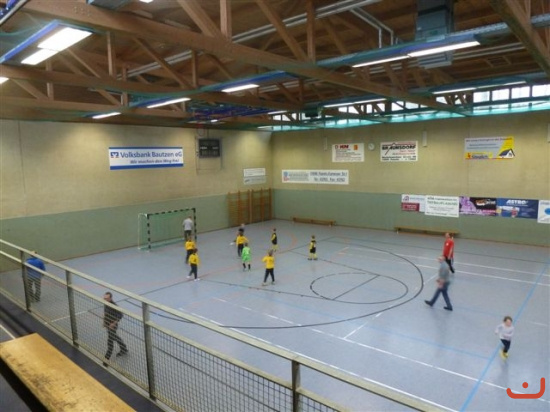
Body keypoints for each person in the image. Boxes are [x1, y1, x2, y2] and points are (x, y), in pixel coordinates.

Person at [103, 291, 128, 366]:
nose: (105, 299)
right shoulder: (106, 303)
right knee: (115, 337)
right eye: (104, 298)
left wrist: (113, 323)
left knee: (110, 342)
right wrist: (104, 321)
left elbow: (120, 315)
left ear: (110, 298)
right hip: (108, 324)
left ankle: (106, 359)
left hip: (113, 326)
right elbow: (105, 313)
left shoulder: (114, 306)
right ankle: (124, 348)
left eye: (106, 298)